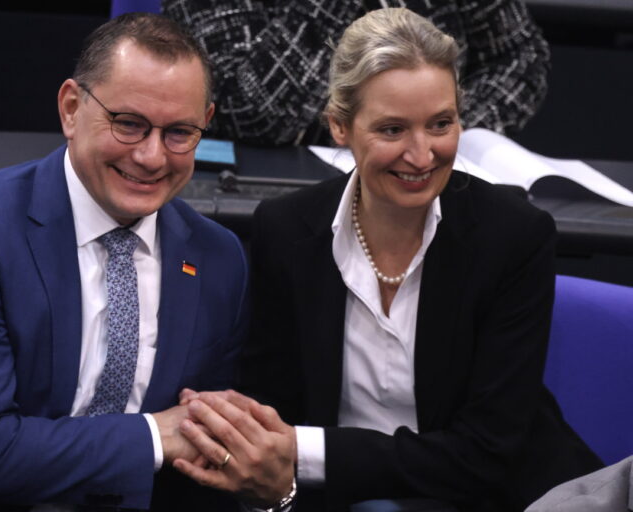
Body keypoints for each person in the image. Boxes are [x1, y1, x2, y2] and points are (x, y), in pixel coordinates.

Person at [170, 8, 601, 512]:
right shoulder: (286, 230)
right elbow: (273, 410)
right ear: (339, 127)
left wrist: (302, 450)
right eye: (392, 130)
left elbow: (487, 453)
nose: (421, 156)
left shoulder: (514, 237)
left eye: (441, 123)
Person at [0, 13, 248, 512]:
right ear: (71, 108)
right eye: (129, 124)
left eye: (179, 132)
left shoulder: (218, 257)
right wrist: (154, 435)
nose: (153, 157)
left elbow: (201, 453)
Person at [163, 0, 551, 146]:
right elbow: (249, 113)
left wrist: (437, 128)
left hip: (430, 189)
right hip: (277, 202)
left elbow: (521, 56)